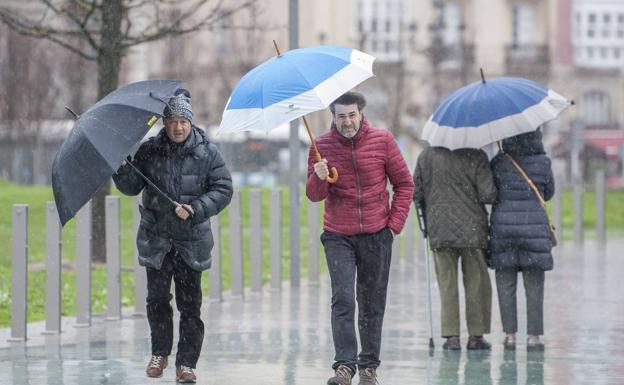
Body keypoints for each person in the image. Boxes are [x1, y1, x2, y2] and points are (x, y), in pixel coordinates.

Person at [113, 88, 233, 383]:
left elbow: (224, 189)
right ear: (163, 123)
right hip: (157, 239)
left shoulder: (207, 152)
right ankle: (160, 353)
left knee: (190, 305)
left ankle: (187, 363)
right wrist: (119, 166)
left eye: (183, 120)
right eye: (172, 121)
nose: (178, 127)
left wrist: (195, 208)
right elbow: (130, 187)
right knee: (156, 300)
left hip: (191, 242)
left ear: (190, 122)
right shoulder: (149, 150)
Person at [306, 91, 414, 385]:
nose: (347, 121)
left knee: (371, 302)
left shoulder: (383, 140)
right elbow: (315, 196)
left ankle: (368, 368)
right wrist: (318, 175)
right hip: (338, 236)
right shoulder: (320, 147)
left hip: (377, 234)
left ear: (361, 113)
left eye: (352, 115)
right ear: (334, 117)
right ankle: (344, 366)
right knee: (343, 299)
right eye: (341, 116)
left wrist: (393, 226)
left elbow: (404, 184)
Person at [413, 145, 497, 350]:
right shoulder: (476, 155)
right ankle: (476, 336)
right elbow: (488, 195)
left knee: (447, 283)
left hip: (439, 229)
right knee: (476, 282)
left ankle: (451, 337)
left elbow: (416, 193)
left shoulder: (427, 156)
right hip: (472, 230)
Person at [489, 129, 555, 352]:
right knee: (534, 287)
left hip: (504, 231)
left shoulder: (500, 161)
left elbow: (491, 192)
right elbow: (548, 193)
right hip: (533, 231)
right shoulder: (543, 162)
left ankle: (509, 335)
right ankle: (534, 337)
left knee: (506, 285)